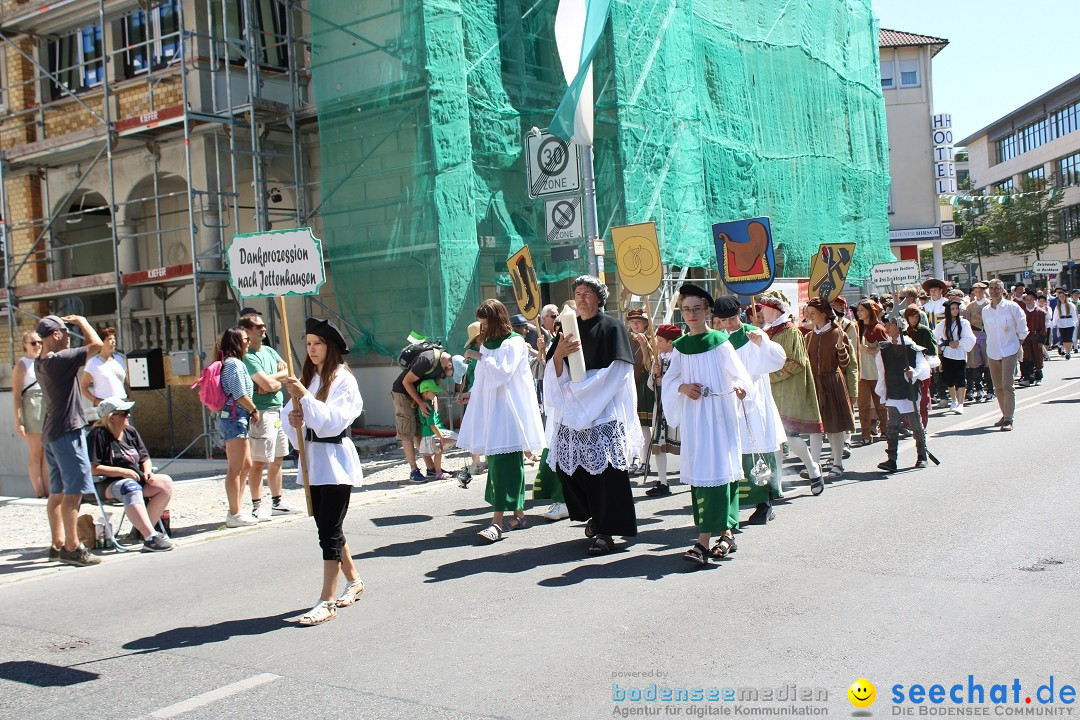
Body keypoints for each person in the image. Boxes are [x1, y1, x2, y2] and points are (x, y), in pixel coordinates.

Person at [544, 275, 640, 555]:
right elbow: (553, 371)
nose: (581, 298)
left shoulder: (612, 327)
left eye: (587, 293)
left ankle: (606, 532)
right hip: (572, 414)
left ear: (599, 298)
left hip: (601, 410)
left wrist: (582, 391)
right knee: (568, 469)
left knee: (604, 474)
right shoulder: (566, 329)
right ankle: (595, 517)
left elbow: (619, 371)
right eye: (577, 293)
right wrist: (558, 354)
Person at [282, 318, 366, 626]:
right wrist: (293, 420)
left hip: (334, 461)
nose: (312, 349)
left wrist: (304, 398)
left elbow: (332, 422)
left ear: (329, 346)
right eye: (307, 344)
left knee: (329, 530)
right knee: (327, 527)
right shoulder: (310, 377)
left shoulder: (344, 380)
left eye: (317, 343)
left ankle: (326, 601)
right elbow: (298, 425)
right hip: (313, 462)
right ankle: (354, 580)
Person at [661, 285, 752, 565]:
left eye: (696, 309)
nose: (691, 314)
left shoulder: (720, 342)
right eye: (686, 309)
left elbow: (740, 375)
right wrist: (683, 387)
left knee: (721, 470)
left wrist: (739, 387)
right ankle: (726, 533)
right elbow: (669, 381)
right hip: (695, 419)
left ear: (706, 311)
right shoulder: (680, 348)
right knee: (704, 472)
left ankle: (703, 541)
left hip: (719, 415)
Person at [457, 300, 546, 542]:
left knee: (503, 464)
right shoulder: (487, 344)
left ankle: (497, 522)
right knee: (499, 464)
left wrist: (477, 355)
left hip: (509, 413)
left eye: (485, 323)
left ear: (496, 320)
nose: (482, 328)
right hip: (492, 412)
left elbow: (502, 373)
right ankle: (518, 515)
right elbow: (485, 377)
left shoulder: (515, 342)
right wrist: (472, 392)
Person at [711, 295, 786, 525]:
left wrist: (762, 344)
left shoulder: (754, 334)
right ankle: (736, 503)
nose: (729, 324)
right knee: (736, 450)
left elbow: (777, 360)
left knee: (757, 446)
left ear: (740, 314)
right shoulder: (720, 340)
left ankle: (765, 503)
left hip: (755, 401)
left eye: (732, 319)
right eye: (724, 321)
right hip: (731, 402)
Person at [36, 314, 103, 566]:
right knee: (73, 492)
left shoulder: (40, 362)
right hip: (67, 431)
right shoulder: (60, 360)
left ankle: (57, 543)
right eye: (66, 332)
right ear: (55, 335)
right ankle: (73, 547)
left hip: (51, 432)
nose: (68, 338)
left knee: (57, 491)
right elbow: (97, 346)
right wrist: (84, 321)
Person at [757, 290, 824, 493]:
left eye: (765, 308)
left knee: (790, 437)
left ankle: (813, 469)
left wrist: (767, 375)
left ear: (775, 310)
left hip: (789, 390)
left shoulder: (791, 331)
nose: (761, 311)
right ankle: (776, 484)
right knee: (775, 440)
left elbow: (795, 363)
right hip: (769, 391)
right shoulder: (765, 332)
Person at [87, 396, 174, 551]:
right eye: (124, 413)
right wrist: (122, 472)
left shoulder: (130, 432)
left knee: (165, 483)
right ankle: (150, 537)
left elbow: (145, 457)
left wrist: (147, 471)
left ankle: (146, 530)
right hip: (107, 484)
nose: (128, 415)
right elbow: (93, 468)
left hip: (135, 478)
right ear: (111, 417)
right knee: (130, 486)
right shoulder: (98, 435)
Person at [238, 313, 300, 519]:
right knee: (259, 461)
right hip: (261, 412)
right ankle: (256, 505)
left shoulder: (271, 351)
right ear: (247, 331)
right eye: (258, 326)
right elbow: (269, 385)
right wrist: (273, 382)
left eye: (263, 325)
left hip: (277, 410)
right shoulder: (247, 357)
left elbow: (289, 373)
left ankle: (277, 502)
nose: (263, 329)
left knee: (278, 458)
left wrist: (271, 380)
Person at [804, 297, 856, 481]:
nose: (810, 316)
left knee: (835, 426)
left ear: (824, 314)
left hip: (832, 381)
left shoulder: (837, 333)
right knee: (815, 427)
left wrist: (841, 348)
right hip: (816, 384)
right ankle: (815, 465)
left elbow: (845, 363)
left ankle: (837, 463)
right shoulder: (809, 336)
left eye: (813, 313)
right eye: (808, 313)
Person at [392, 338, 454, 484]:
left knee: (420, 429)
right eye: (449, 374)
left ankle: (431, 468)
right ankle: (414, 470)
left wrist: (434, 399)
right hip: (403, 393)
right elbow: (406, 382)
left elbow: (436, 382)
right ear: (449, 364)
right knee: (407, 431)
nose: (447, 377)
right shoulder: (426, 360)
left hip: (423, 394)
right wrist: (420, 402)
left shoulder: (443, 366)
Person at [875, 313, 930, 473]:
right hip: (893, 390)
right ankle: (891, 459)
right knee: (892, 426)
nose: (886, 328)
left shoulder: (910, 347)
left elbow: (923, 366)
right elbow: (882, 371)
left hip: (908, 392)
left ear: (898, 326)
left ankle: (922, 456)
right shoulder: (885, 348)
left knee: (915, 425)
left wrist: (913, 373)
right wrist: (883, 390)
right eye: (886, 324)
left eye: (890, 325)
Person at [217, 327, 261, 527]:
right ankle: (234, 513)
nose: (248, 341)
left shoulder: (233, 363)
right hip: (235, 416)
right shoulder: (234, 364)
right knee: (236, 467)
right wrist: (253, 409)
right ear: (237, 342)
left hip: (236, 416)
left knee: (246, 465)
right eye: (245, 339)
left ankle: (237, 508)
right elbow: (238, 393)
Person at [983, 279, 1028, 431]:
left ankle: (1009, 418)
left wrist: (1019, 343)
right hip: (993, 351)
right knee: (998, 387)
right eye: (991, 288)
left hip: (1010, 349)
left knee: (1007, 385)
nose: (994, 291)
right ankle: (1004, 414)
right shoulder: (986, 310)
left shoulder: (1011, 307)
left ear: (1002, 290)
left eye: (997, 288)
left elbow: (1022, 325)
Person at [643, 323, 682, 497]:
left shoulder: (681, 358)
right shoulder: (659, 358)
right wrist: (655, 374)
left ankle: (695, 479)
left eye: (660, 340)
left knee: (686, 445)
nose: (656, 343)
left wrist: (664, 381)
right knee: (658, 445)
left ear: (670, 342)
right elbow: (651, 385)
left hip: (677, 408)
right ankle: (663, 481)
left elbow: (683, 381)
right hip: (660, 408)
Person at [12, 330, 50, 500]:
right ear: (24, 345)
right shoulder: (22, 364)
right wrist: (18, 420)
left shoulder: (45, 360)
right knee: (36, 452)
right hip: (32, 404)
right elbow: (16, 395)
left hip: (47, 404)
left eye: (39, 342)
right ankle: (38, 491)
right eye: (33, 343)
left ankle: (49, 491)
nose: (37, 346)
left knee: (48, 451)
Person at [625, 308, 655, 476]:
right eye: (632, 321)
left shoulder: (652, 339)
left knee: (643, 426)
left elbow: (649, 366)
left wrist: (645, 346)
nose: (635, 324)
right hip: (627, 385)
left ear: (645, 323)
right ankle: (634, 458)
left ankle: (645, 461)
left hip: (642, 385)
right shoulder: (626, 339)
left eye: (638, 321)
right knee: (629, 424)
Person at [457, 320, 487, 486]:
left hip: (475, 392)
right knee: (480, 427)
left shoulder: (476, 352)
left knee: (479, 426)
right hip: (477, 393)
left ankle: (478, 463)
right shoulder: (478, 352)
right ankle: (477, 463)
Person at [854, 300, 887, 446]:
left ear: (870, 311)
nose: (859, 312)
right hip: (862, 374)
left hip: (876, 373)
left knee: (880, 405)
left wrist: (872, 350)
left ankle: (885, 430)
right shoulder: (856, 328)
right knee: (863, 406)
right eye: (858, 310)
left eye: (862, 310)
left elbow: (887, 348)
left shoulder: (879, 329)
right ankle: (866, 434)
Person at [934, 300, 976, 414]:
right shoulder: (942, 324)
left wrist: (959, 343)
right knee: (949, 379)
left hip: (960, 355)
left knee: (961, 379)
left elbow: (971, 338)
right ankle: (953, 400)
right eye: (952, 309)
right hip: (947, 354)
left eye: (956, 308)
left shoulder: (964, 323)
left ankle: (961, 404)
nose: (955, 311)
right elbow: (935, 337)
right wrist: (944, 345)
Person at [903, 306, 938, 427]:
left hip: (922, 367)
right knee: (908, 398)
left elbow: (932, 350)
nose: (913, 319)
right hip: (907, 369)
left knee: (923, 398)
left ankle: (923, 424)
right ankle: (909, 424)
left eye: (916, 316)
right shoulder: (903, 332)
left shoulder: (924, 330)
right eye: (911, 316)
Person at [416, 378, 457, 480]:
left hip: (426, 434)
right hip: (433, 433)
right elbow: (432, 425)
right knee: (440, 451)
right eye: (433, 391)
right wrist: (441, 437)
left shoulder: (422, 405)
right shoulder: (428, 406)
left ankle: (435, 471)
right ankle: (438, 473)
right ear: (425, 393)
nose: (435, 393)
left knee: (439, 451)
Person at [79, 326, 127, 410]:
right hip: (106, 406)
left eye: (114, 339)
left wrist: (129, 396)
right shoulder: (93, 363)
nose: (113, 342)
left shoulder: (119, 359)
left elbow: (125, 382)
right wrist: (96, 401)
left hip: (122, 404)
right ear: (102, 342)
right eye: (109, 339)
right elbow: (83, 387)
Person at [963, 282, 992, 404]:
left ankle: (990, 389)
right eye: (976, 291)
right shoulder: (970, 306)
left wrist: (984, 319)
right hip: (974, 335)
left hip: (986, 334)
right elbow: (967, 322)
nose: (978, 293)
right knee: (975, 363)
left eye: (981, 291)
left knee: (988, 363)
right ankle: (978, 389)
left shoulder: (989, 304)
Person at [1019, 290, 1047, 387]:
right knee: (1026, 357)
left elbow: (1043, 327)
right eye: (1027, 299)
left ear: (1034, 299)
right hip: (1026, 337)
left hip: (1036, 337)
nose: (1029, 301)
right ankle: (1027, 377)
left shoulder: (1040, 312)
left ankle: (1038, 377)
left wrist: (1042, 339)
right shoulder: (1022, 311)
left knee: (1037, 357)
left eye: (1031, 299)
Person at [1052, 287, 1075, 359]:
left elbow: (1074, 314)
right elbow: (1055, 315)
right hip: (1061, 323)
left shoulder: (1070, 305)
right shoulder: (1058, 306)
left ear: (1065, 297)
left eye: (1063, 296)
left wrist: (1075, 322)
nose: (1062, 298)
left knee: (1069, 338)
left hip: (1069, 322)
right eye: (1060, 296)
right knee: (1064, 339)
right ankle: (1066, 351)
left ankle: (1068, 352)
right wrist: (1054, 323)